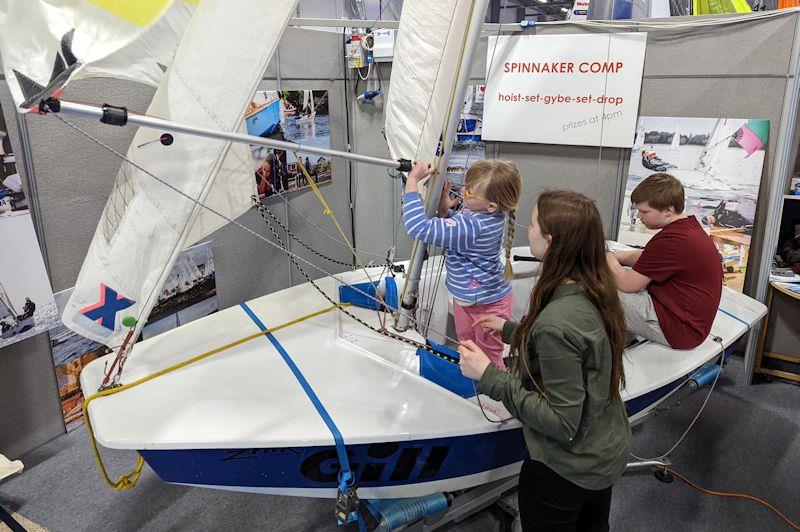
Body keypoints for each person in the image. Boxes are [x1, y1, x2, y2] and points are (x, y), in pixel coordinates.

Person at [459, 190, 631, 531]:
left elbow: (562, 421)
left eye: (534, 224)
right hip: (603, 453)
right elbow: (577, 347)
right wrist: (513, 331)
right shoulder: (593, 286)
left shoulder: (557, 321)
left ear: (550, 241)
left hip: (567, 471)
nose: (529, 229)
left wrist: (488, 375)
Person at [403, 159, 521, 370]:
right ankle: (471, 381)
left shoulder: (472, 225)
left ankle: (489, 390)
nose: (463, 192)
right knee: (466, 348)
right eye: (466, 186)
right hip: (469, 299)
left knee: (488, 362)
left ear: (491, 206)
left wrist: (412, 181)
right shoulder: (482, 214)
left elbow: (417, 228)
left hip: (487, 305)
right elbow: (461, 235)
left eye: (470, 192)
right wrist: (445, 212)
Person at [607, 173, 722, 349]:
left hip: (679, 329)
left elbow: (627, 284)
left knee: (594, 286)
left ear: (668, 210)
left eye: (644, 211)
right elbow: (648, 257)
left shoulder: (671, 241)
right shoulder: (688, 228)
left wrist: (607, 257)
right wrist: (617, 255)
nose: (639, 216)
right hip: (688, 322)